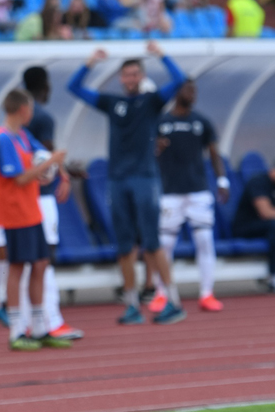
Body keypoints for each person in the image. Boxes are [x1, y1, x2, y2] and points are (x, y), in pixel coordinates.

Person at [67, 42, 188, 326]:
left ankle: (173, 301)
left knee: (152, 242)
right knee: (123, 246)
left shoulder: (152, 102)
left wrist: (162, 55)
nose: (130, 79)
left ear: (141, 77)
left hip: (144, 178)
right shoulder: (112, 103)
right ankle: (132, 304)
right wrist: (89, 63)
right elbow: (74, 88)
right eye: (126, 75)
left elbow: (180, 80)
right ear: (121, 78)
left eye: (135, 74)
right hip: (117, 180)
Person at [0, 89, 70, 351]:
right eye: (30, 108)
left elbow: (41, 155)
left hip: (30, 209)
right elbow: (20, 178)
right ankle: (16, 330)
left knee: (41, 263)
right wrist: (49, 164)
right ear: (23, 109)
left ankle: (40, 326)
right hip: (14, 212)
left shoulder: (22, 135)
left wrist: (57, 168)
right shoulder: (2, 139)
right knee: (17, 266)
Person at [153, 79, 229, 314]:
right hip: (169, 193)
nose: (192, 94)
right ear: (177, 92)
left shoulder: (201, 121)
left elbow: (214, 152)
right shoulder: (161, 121)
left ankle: (207, 293)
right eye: (188, 89)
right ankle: (161, 293)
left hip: (198, 191)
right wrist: (157, 149)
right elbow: (148, 154)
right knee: (165, 244)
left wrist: (222, 180)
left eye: (194, 90)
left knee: (204, 240)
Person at [19, 67, 83, 340]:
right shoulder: (42, 117)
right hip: (41, 198)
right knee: (45, 258)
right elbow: (46, 159)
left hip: (21, 198)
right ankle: (52, 321)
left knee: (27, 262)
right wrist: (64, 173)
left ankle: (29, 322)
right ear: (45, 85)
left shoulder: (13, 123)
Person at [232, 163, 275, 294]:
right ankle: (273, 276)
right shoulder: (258, 181)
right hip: (244, 227)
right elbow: (266, 213)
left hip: (266, 228)